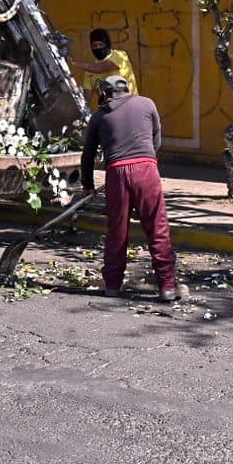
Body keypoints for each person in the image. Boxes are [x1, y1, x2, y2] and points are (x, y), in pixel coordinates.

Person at [80, 75, 181, 301]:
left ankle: (113, 286)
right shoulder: (147, 103)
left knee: (117, 232)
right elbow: (156, 141)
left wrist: (87, 185)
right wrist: (145, 161)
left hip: (116, 173)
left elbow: (87, 155)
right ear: (127, 90)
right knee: (157, 229)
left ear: (105, 94)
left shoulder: (98, 116)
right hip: (147, 170)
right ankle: (167, 287)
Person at [69, 28, 139, 105]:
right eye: (94, 45)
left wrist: (73, 63)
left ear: (107, 44)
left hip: (130, 106)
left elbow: (102, 68)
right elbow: (87, 99)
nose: (98, 47)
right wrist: (74, 90)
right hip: (110, 113)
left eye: (101, 44)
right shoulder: (89, 71)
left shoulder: (120, 55)